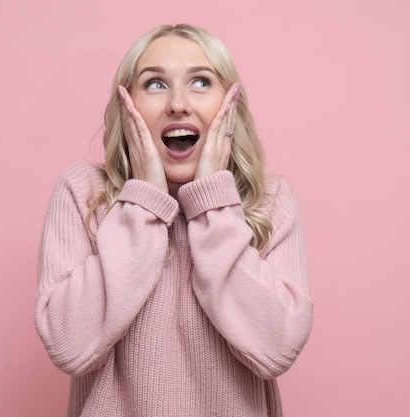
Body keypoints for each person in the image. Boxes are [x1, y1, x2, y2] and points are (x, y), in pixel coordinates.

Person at [34, 23, 313, 417]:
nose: (178, 104)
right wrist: (145, 200)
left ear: (231, 104)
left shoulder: (271, 202)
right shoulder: (83, 192)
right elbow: (69, 347)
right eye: (154, 84)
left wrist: (213, 204)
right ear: (126, 105)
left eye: (201, 82)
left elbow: (276, 349)